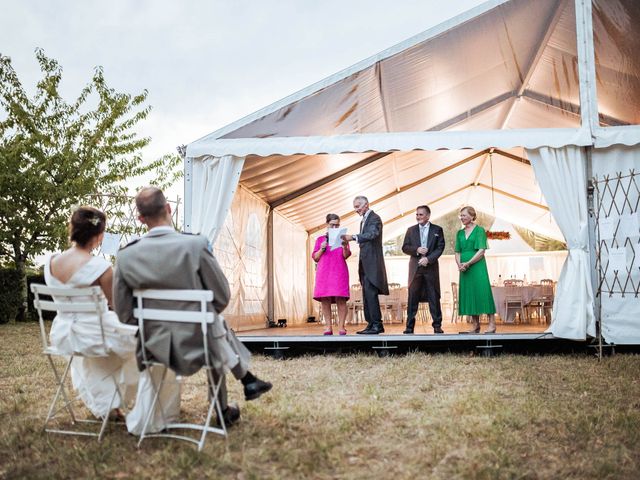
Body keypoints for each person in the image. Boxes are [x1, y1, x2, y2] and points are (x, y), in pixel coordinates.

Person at [113, 186, 272, 433]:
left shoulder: (125, 256)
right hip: (200, 344)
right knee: (213, 324)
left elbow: (124, 313)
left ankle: (240, 386)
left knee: (212, 325)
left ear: (140, 219)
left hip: (153, 345)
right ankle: (222, 408)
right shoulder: (196, 245)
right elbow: (222, 297)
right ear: (168, 209)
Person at [45, 206, 138, 420]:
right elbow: (118, 306)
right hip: (93, 336)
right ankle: (118, 401)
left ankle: (107, 405)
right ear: (100, 235)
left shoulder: (51, 263)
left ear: (73, 230)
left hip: (63, 335)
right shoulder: (101, 267)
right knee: (142, 343)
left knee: (105, 351)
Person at [342, 196, 389, 335]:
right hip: (365, 264)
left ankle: (376, 324)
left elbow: (373, 234)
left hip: (373, 264)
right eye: (355, 207)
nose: (356, 210)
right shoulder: (365, 220)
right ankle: (371, 324)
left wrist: (354, 237)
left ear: (366, 204)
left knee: (371, 294)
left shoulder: (374, 218)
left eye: (358, 206)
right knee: (367, 295)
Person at [401, 205, 446, 334]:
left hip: (431, 268)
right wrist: (417, 250)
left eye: (420, 214)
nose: (418, 217)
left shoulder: (438, 230)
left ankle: (437, 326)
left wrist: (429, 259)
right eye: (417, 215)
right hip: (415, 268)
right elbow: (404, 247)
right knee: (412, 297)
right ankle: (409, 327)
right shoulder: (410, 230)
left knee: (433, 296)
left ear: (428, 216)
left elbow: (440, 247)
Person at [455, 206, 497, 334]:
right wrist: (460, 265)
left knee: (483, 291)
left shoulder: (479, 230)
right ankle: (475, 325)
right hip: (464, 268)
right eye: (461, 215)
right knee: (470, 293)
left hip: (477, 266)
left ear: (472, 216)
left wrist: (468, 263)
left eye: (464, 215)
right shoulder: (459, 233)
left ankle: (492, 323)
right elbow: (457, 251)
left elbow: (481, 251)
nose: (462, 218)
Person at [312, 213, 351, 335]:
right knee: (325, 298)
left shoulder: (343, 238)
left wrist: (345, 247)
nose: (335, 228)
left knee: (341, 298)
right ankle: (328, 327)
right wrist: (322, 248)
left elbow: (346, 256)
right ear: (327, 224)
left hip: (339, 270)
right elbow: (315, 258)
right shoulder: (319, 240)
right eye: (332, 225)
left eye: (337, 225)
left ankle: (341, 327)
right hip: (324, 271)